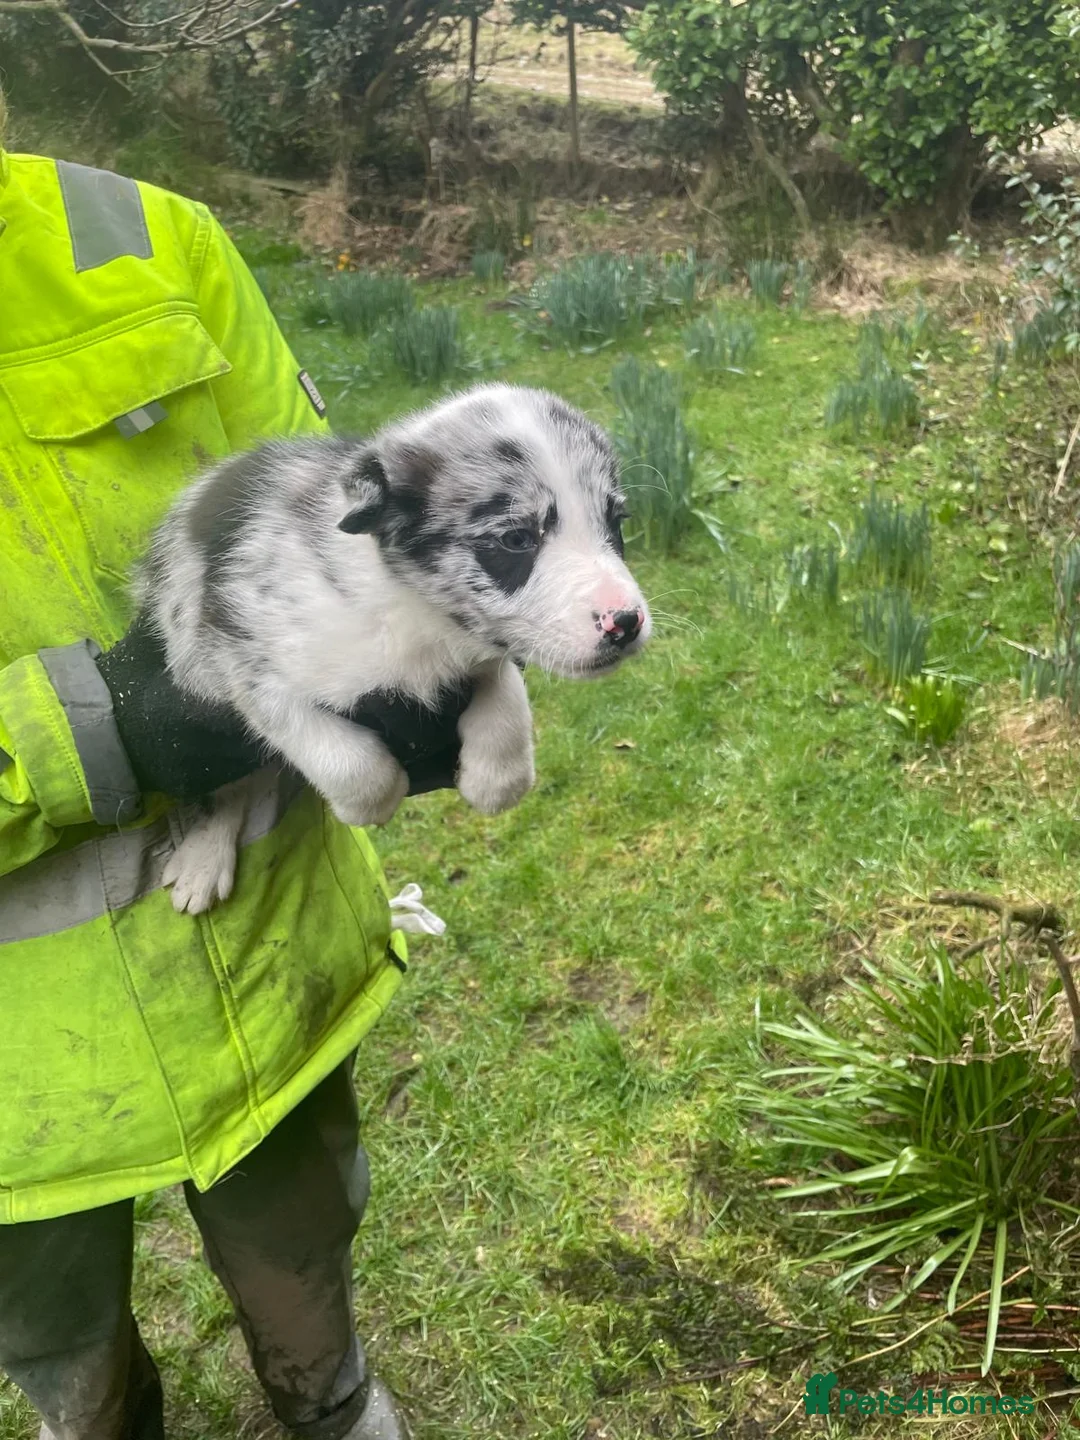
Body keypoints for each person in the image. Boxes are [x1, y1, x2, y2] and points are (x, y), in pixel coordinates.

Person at [0, 97, 468, 1440]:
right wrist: (99, 731)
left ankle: (332, 1405)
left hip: (267, 969)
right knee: (52, 1339)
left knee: (308, 1262)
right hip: (20, 1086)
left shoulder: (142, 233)